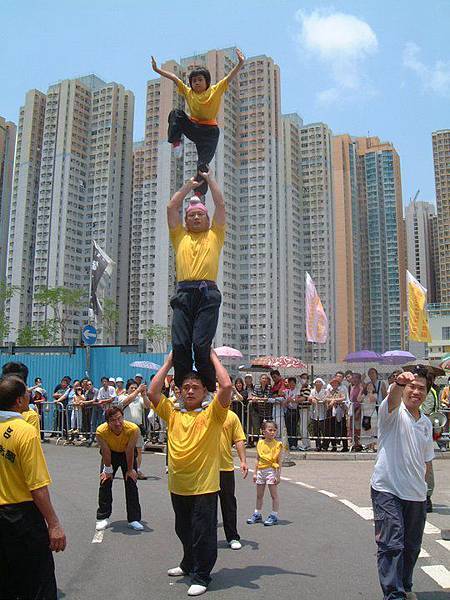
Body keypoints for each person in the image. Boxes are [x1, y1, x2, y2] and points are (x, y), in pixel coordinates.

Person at [148, 350, 232, 597]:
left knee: (202, 533)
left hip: (204, 487)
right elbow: (152, 392)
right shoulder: (172, 413)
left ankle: (202, 575)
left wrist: (211, 355)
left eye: (196, 387)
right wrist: (168, 362)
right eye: (186, 387)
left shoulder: (213, 415)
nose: (191, 391)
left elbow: (226, 386)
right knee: (183, 530)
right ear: (180, 391)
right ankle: (188, 564)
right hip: (178, 485)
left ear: (205, 391)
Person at [370, 365, 435, 600]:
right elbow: (394, 397)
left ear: (427, 393)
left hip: (416, 495)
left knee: (411, 548)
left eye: (422, 388)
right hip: (387, 490)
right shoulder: (393, 412)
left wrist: (427, 491)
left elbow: (427, 461)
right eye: (412, 387)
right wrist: (398, 384)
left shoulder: (426, 423)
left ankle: (405, 587)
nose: (416, 391)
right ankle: (393, 595)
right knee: (391, 544)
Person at [0, 375, 66, 599]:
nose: (31, 395)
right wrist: (54, 523)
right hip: (21, 517)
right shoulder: (25, 431)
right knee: (39, 582)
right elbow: (37, 486)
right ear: (19, 401)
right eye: (27, 393)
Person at [151, 49, 245, 197]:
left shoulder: (215, 90)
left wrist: (240, 63)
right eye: (194, 81)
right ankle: (176, 142)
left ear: (207, 81)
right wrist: (157, 70)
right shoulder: (189, 92)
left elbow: (229, 77)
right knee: (176, 113)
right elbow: (175, 78)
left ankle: (199, 193)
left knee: (202, 165)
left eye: (200, 80)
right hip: (195, 127)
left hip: (210, 134)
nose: (197, 83)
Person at [167, 172, 226, 394]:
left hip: (207, 294)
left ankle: (208, 389)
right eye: (192, 216)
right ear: (186, 221)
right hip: (183, 294)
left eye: (201, 215)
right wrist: (187, 187)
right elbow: (171, 208)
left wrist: (210, 180)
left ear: (208, 220)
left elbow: (220, 204)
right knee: (180, 345)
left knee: (201, 345)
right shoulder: (179, 236)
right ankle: (183, 390)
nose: (196, 218)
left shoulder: (215, 235)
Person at [95, 406, 143, 532]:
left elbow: (130, 449)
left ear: (123, 417)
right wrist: (107, 470)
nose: (117, 423)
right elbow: (105, 451)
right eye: (113, 420)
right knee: (105, 481)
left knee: (131, 482)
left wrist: (130, 470)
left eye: (119, 418)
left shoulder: (133, 429)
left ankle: (134, 519)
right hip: (110, 454)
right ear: (107, 422)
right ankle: (103, 517)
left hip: (127, 454)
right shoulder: (101, 431)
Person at [219, 409, 248, 550]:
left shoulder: (231, 416)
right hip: (204, 468)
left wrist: (243, 461)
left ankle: (232, 537)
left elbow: (238, 439)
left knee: (228, 503)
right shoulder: (203, 413)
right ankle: (205, 538)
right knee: (205, 505)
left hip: (225, 467)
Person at [247, 420, 283, 526]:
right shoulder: (260, 443)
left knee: (273, 494)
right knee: (259, 494)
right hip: (261, 471)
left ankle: (274, 514)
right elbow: (257, 459)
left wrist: (278, 475)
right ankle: (257, 513)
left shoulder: (278, 445)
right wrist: (254, 473)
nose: (272, 432)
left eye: (274, 430)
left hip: (271, 470)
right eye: (270, 430)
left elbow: (279, 461)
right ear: (263, 431)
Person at [117, 381, 150, 480]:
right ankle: (126, 468)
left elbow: (148, 405)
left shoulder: (139, 398)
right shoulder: (122, 396)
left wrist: (144, 395)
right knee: (124, 449)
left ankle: (138, 469)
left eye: (135, 388)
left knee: (138, 449)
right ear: (127, 389)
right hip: (125, 427)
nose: (134, 389)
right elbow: (125, 402)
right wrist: (137, 391)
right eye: (132, 388)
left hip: (137, 428)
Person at [309, 378, 327, 451]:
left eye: (319, 382)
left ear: (322, 384)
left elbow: (325, 399)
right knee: (316, 431)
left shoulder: (325, 391)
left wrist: (318, 399)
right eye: (316, 382)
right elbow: (310, 398)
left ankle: (325, 445)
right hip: (315, 413)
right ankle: (318, 445)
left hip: (323, 413)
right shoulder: (312, 391)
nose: (318, 384)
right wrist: (312, 399)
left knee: (324, 431)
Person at [282, 377, 300, 450]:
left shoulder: (297, 390)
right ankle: (290, 443)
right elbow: (285, 399)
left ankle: (294, 444)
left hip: (295, 410)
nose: (291, 384)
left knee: (294, 427)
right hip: (288, 410)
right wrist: (287, 401)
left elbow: (296, 398)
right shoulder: (287, 391)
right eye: (290, 383)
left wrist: (290, 400)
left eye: (293, 383)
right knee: (288, 427)